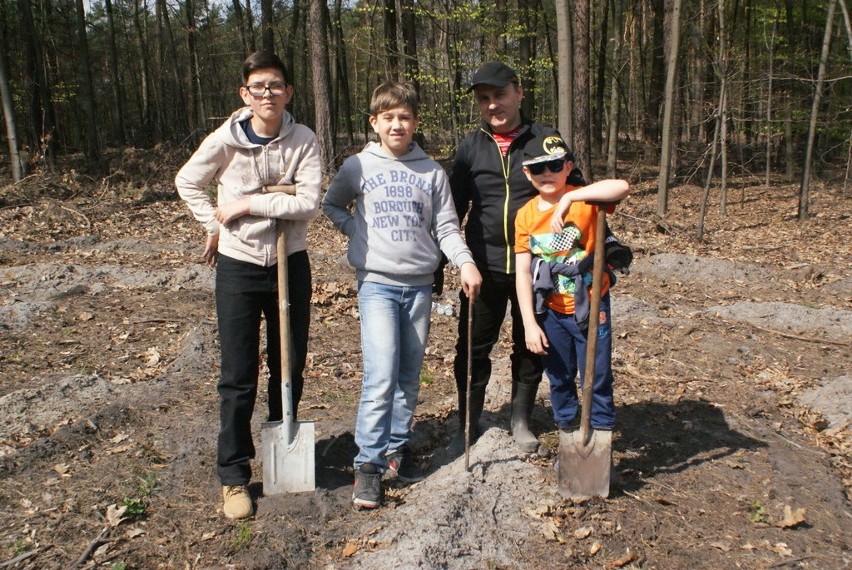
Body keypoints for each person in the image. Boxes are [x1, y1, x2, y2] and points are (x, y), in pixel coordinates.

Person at [446, 61, 631, 453]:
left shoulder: (544, 140)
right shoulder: (469, 148)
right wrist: (449, 262)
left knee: (532, 343)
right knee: (473, 347)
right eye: (484, 99)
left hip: (542, 270)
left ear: (518, 92)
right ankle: (469, 418)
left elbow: (581, 189)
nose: (493, 105)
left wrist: (572, 200)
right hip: (485, 265)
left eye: (499, 95)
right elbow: (452, 208)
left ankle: (521, 419)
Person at [175, 51, 322, 520]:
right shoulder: (226, 140)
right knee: (238, 375)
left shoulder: (303, 140)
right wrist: (216, 225)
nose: (267, 94)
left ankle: (284, 447)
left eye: (276, 86)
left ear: (289, 92)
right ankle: (234, 476)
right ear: (245, 94)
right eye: (258, 87)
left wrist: (246, 206)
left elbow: (310, 202)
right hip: (238, 267)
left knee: (289, 363)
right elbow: (188, 181)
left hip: (290, 263)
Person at [322, 81, 482, 509]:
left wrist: (465, 262)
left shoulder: (431, 171)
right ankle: (368, 466)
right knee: (381, 374)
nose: (397, 124)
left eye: (405, 117)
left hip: (419, 286)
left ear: (415, 122)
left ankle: (396, 447)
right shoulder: (357, 165)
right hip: (376, 284)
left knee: (409, 374)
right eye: (388, 117)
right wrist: (356, 231)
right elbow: (333, 205)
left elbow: (447, 227)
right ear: (374, 122)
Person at [514, 133, 630, 434]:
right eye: (538, 168)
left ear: (568, 166)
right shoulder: (525, 215)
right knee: (559, 373)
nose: (547, 173)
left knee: (597, 372)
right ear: (528, 173)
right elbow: (523, 272)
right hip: (551, 310)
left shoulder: (586, 200)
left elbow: (622, 187)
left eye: (554, 165)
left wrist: (570, 197)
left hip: (592, 305)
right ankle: (567, 427)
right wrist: (529, 323)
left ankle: (601, 431)